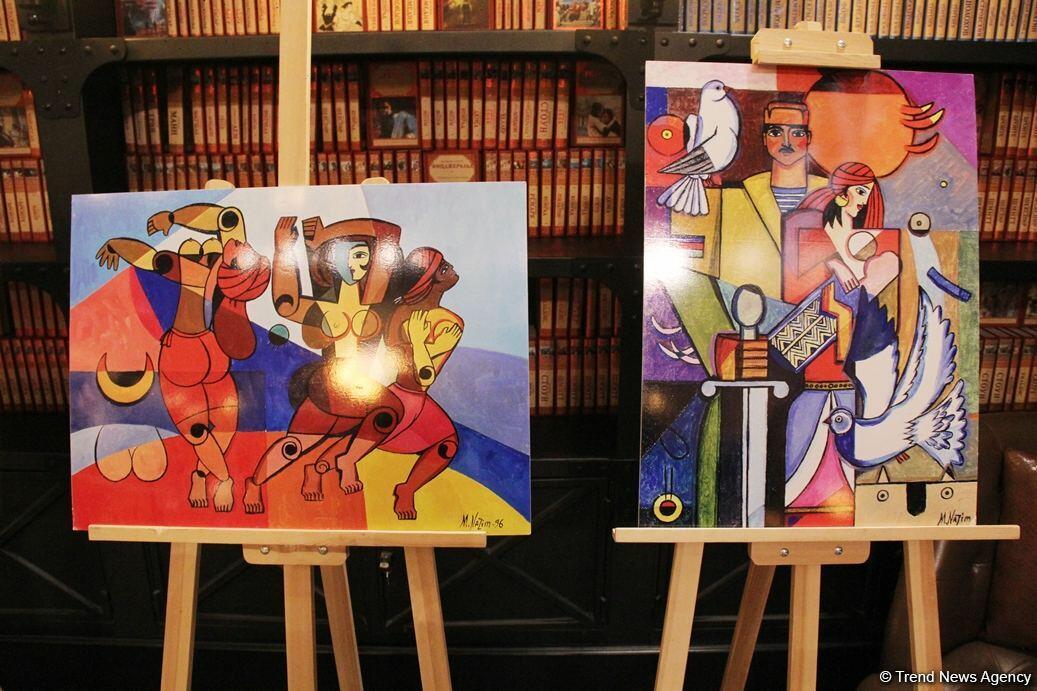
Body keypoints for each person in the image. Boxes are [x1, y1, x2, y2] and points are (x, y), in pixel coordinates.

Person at [95, 204, 270, 512]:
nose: (202, 253)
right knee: (197, 430)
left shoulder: (228, 262)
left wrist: (173, 218)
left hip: (214, 350)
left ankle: (200, 475)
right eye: (197, 252)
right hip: (182, 352)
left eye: (208, 252)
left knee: (226, 426)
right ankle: (224, 479)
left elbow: (226, 217)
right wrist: (120, 242)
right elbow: (148, 257)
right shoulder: (191, 267)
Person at [243, 217, 405, 513]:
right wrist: (283, 247)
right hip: (328, 386)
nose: (359, 265)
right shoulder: (322, 306)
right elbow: (286, 304)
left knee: (387, 414)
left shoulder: (375, 301)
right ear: (332, 262)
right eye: (350, 257)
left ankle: (335, 464)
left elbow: (390, 233)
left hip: (361, 388)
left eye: (364, 257)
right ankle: (255, 484)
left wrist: (331, 232)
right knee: (294, 446)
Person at [780, 162, 900, 526]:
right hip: (819, 334)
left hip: (851, 341)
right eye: (860, 191)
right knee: (811, 423)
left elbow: (873, 282)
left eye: (868, 193)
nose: (863, 200)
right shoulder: (810, 224)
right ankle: (803, 503)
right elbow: (797, 272)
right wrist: (834, 263)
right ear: (843, 191)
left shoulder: (865, 236)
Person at [378, 247, 464, 520]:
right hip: (402, 395)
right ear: (428, 281)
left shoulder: (449, 322)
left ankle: (407, 489)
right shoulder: (402, 314)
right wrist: (417, 341)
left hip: (417, 397)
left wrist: (418, 341)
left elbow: (426, 376)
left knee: (446, 445)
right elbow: (415, 373)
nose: (451, 268)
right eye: (443, 268)